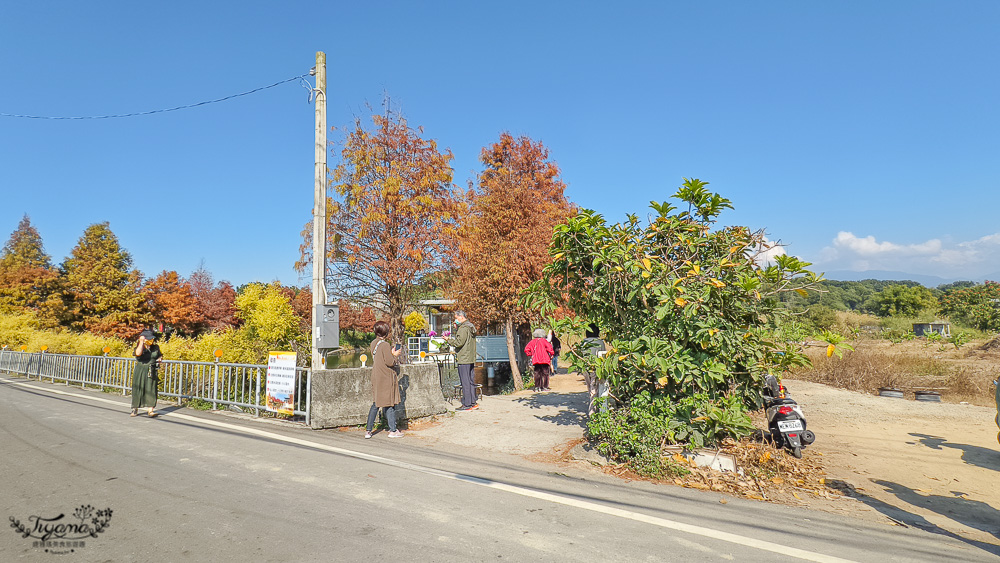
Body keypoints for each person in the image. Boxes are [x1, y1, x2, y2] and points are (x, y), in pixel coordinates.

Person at [366, 321, 405, 438]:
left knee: (376, 404)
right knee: (389, 404)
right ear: (386, 332)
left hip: (376, 376)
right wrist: (394, 354)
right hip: (386, 377)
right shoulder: (385, 345)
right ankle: (393, 430)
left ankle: (368, 430)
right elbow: (390, 362)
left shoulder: (374, 343)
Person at [446, 310, 478, 411]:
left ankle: (467, 404)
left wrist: (448, 340)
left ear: (461, 317)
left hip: (464, 358)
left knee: (465, 382)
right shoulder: (470, 326)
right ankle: (473, 402)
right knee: (470, 380)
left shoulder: (463, 328)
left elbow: (459, 342)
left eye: (456, 318)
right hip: (470, 357)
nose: (455, 320)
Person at [130, 329, 163, 417]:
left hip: (151, 369)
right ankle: (135, 408)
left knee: (151, 388)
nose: (151, 340)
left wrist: (160, 358)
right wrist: (141, 342)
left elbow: (159, 354)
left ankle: (150, 410)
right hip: (141, 369)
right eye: (148, 338)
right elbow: (138, 353)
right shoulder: (139, 347)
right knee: (138, 388)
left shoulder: (155, 347)